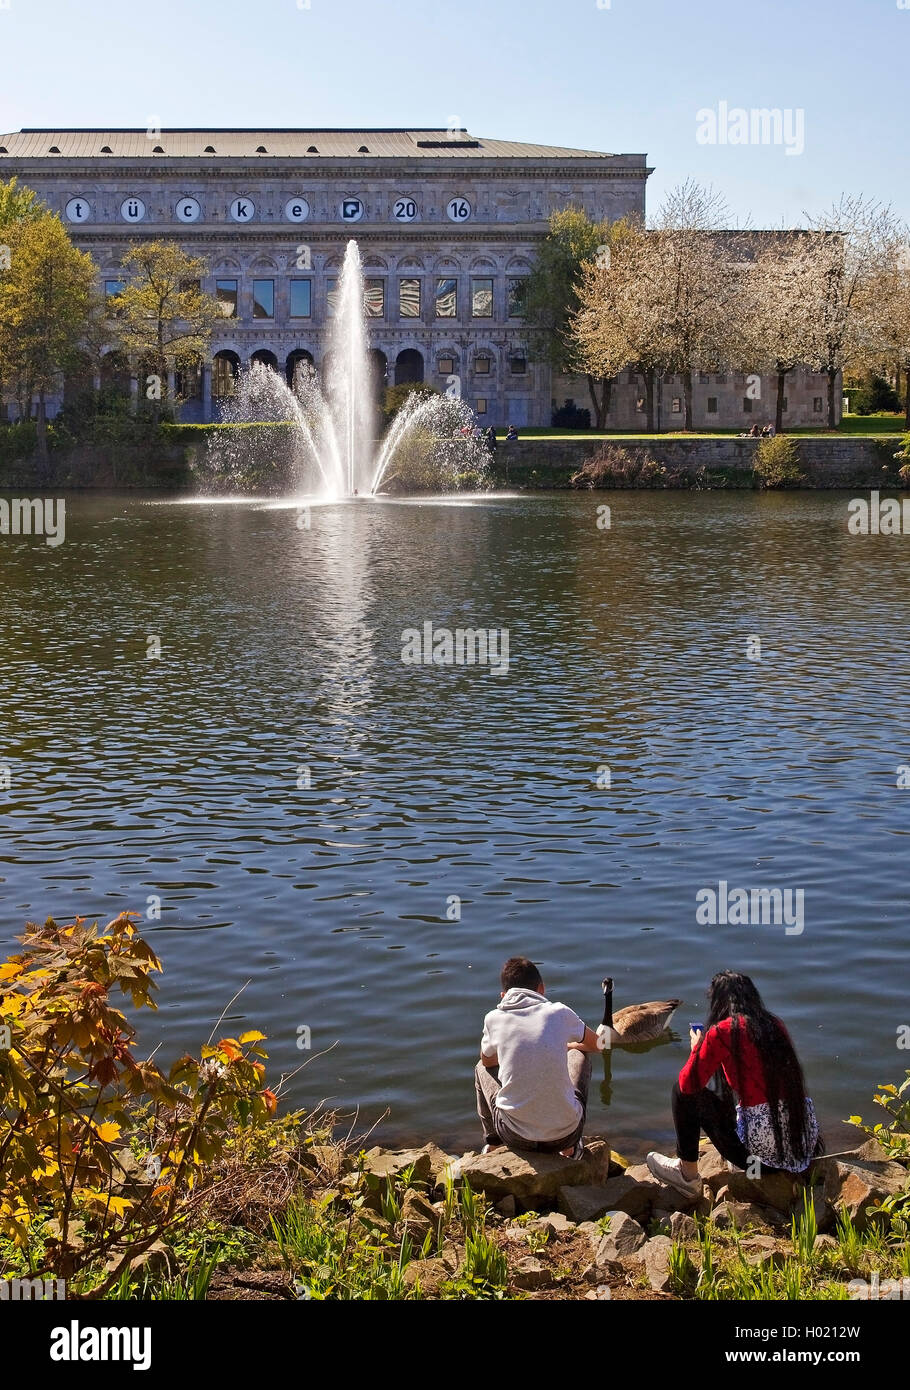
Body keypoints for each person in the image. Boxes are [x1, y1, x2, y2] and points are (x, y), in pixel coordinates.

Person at [646, 971, 820, 1196]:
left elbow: (689, 1083)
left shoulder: (723, 1031)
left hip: (762, 1162)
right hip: (803, 1149)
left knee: (682, 1091)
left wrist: (698, 1047)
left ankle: (686, 1175)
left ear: (718, 1002)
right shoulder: (775, 1024)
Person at [476, 956, 599, 1158]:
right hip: (565, 1135)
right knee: (579, 1054)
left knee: (480, 1067)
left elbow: (488, 1062)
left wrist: (513, 1054)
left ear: (503, 995)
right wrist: (567, 1046)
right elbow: (599, 1045)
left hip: (514, 1135)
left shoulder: (493, 1018)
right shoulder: (560, 1012)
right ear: (541, 988)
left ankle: (494, 1144)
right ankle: (570, 1149)